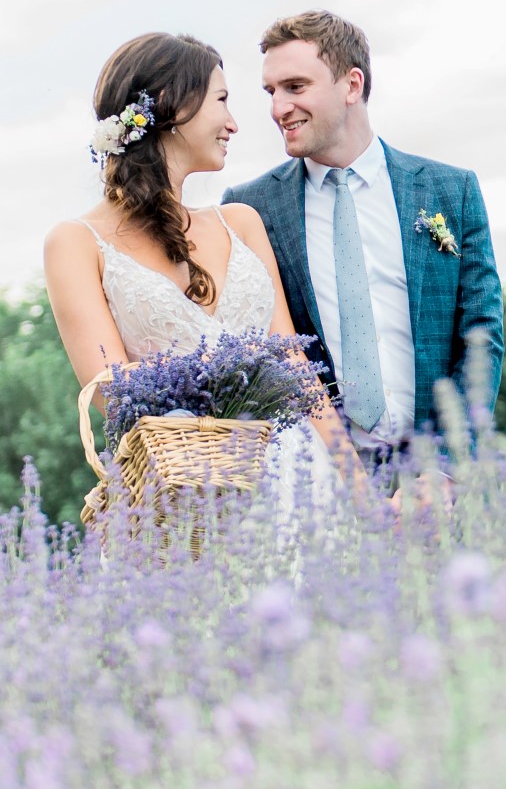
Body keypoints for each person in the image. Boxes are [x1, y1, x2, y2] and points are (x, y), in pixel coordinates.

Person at [44, 32, 371, 529]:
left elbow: (295, 364)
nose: (235, 123)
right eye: (222, 100)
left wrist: (360, 489)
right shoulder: (76, 242)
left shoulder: (239, 223)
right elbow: (110, 390)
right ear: (176, 107)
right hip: (180, 495)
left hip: (296, 483)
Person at [222, 10, 504, 488]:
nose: (278, 108)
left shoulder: (449, 190)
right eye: (271, 92)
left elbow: (481, 337)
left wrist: (446, 470)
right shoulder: (248, 208)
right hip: (315, 488)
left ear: (351, 85)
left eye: (295, 86)